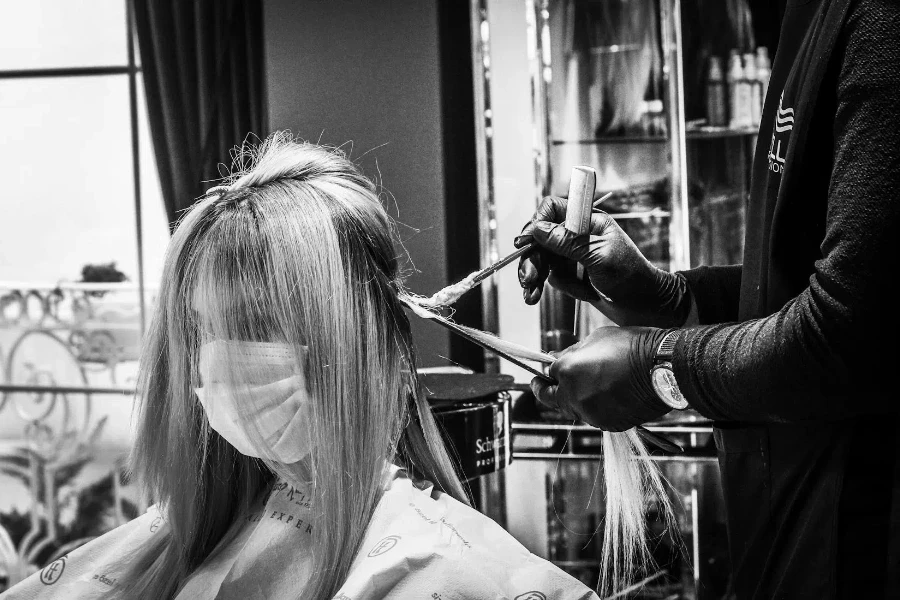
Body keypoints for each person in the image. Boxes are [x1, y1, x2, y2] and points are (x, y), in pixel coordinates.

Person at [3, 134, 600, 600]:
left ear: (352, 342)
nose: (221, 359)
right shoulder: (189, 537)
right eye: (205, 330)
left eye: (257, 326)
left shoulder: (443, 569)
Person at [517, 0, 900, 597]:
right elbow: (800, 281)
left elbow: (849, 334)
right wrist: (665, 297)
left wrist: (659, 367)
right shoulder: (809, 16)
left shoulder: (880, 20)